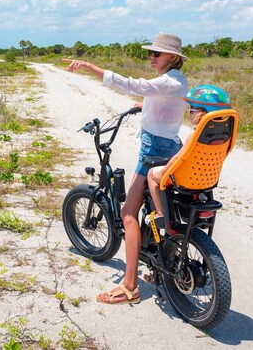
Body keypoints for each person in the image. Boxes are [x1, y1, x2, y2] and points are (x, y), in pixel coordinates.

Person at [64, 32, 189, 305]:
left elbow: (132, 84)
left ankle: (130, 285)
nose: (152, 57)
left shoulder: (167, 81)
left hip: (154, 148)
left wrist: (88, 67)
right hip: (169, 144)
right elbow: (166, 103)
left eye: (157, 53)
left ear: (173, 57)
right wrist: (144, 105)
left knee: (128, 213)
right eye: (151, 52)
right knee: (147, 204)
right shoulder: (178, 82)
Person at [147, 85, 232, 220]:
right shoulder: (224, 136)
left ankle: (160, 214)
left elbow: (177, 158)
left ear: (202, 114)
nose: (189, 112)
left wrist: (162, 173)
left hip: (186, 178)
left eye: (192, 109)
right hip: (208, 179)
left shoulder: (194, 137)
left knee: (152, 174)